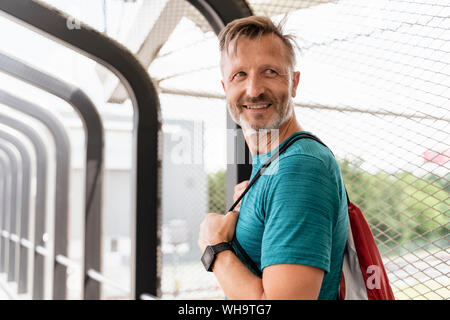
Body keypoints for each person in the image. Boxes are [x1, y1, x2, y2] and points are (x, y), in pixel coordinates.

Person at [198, 16, 348, 300]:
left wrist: (214, 247)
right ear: (225, 88)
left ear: (294, 83)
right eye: (239, 75)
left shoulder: (301, 167)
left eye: (270, 72)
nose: (253, 89)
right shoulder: (269, 163)